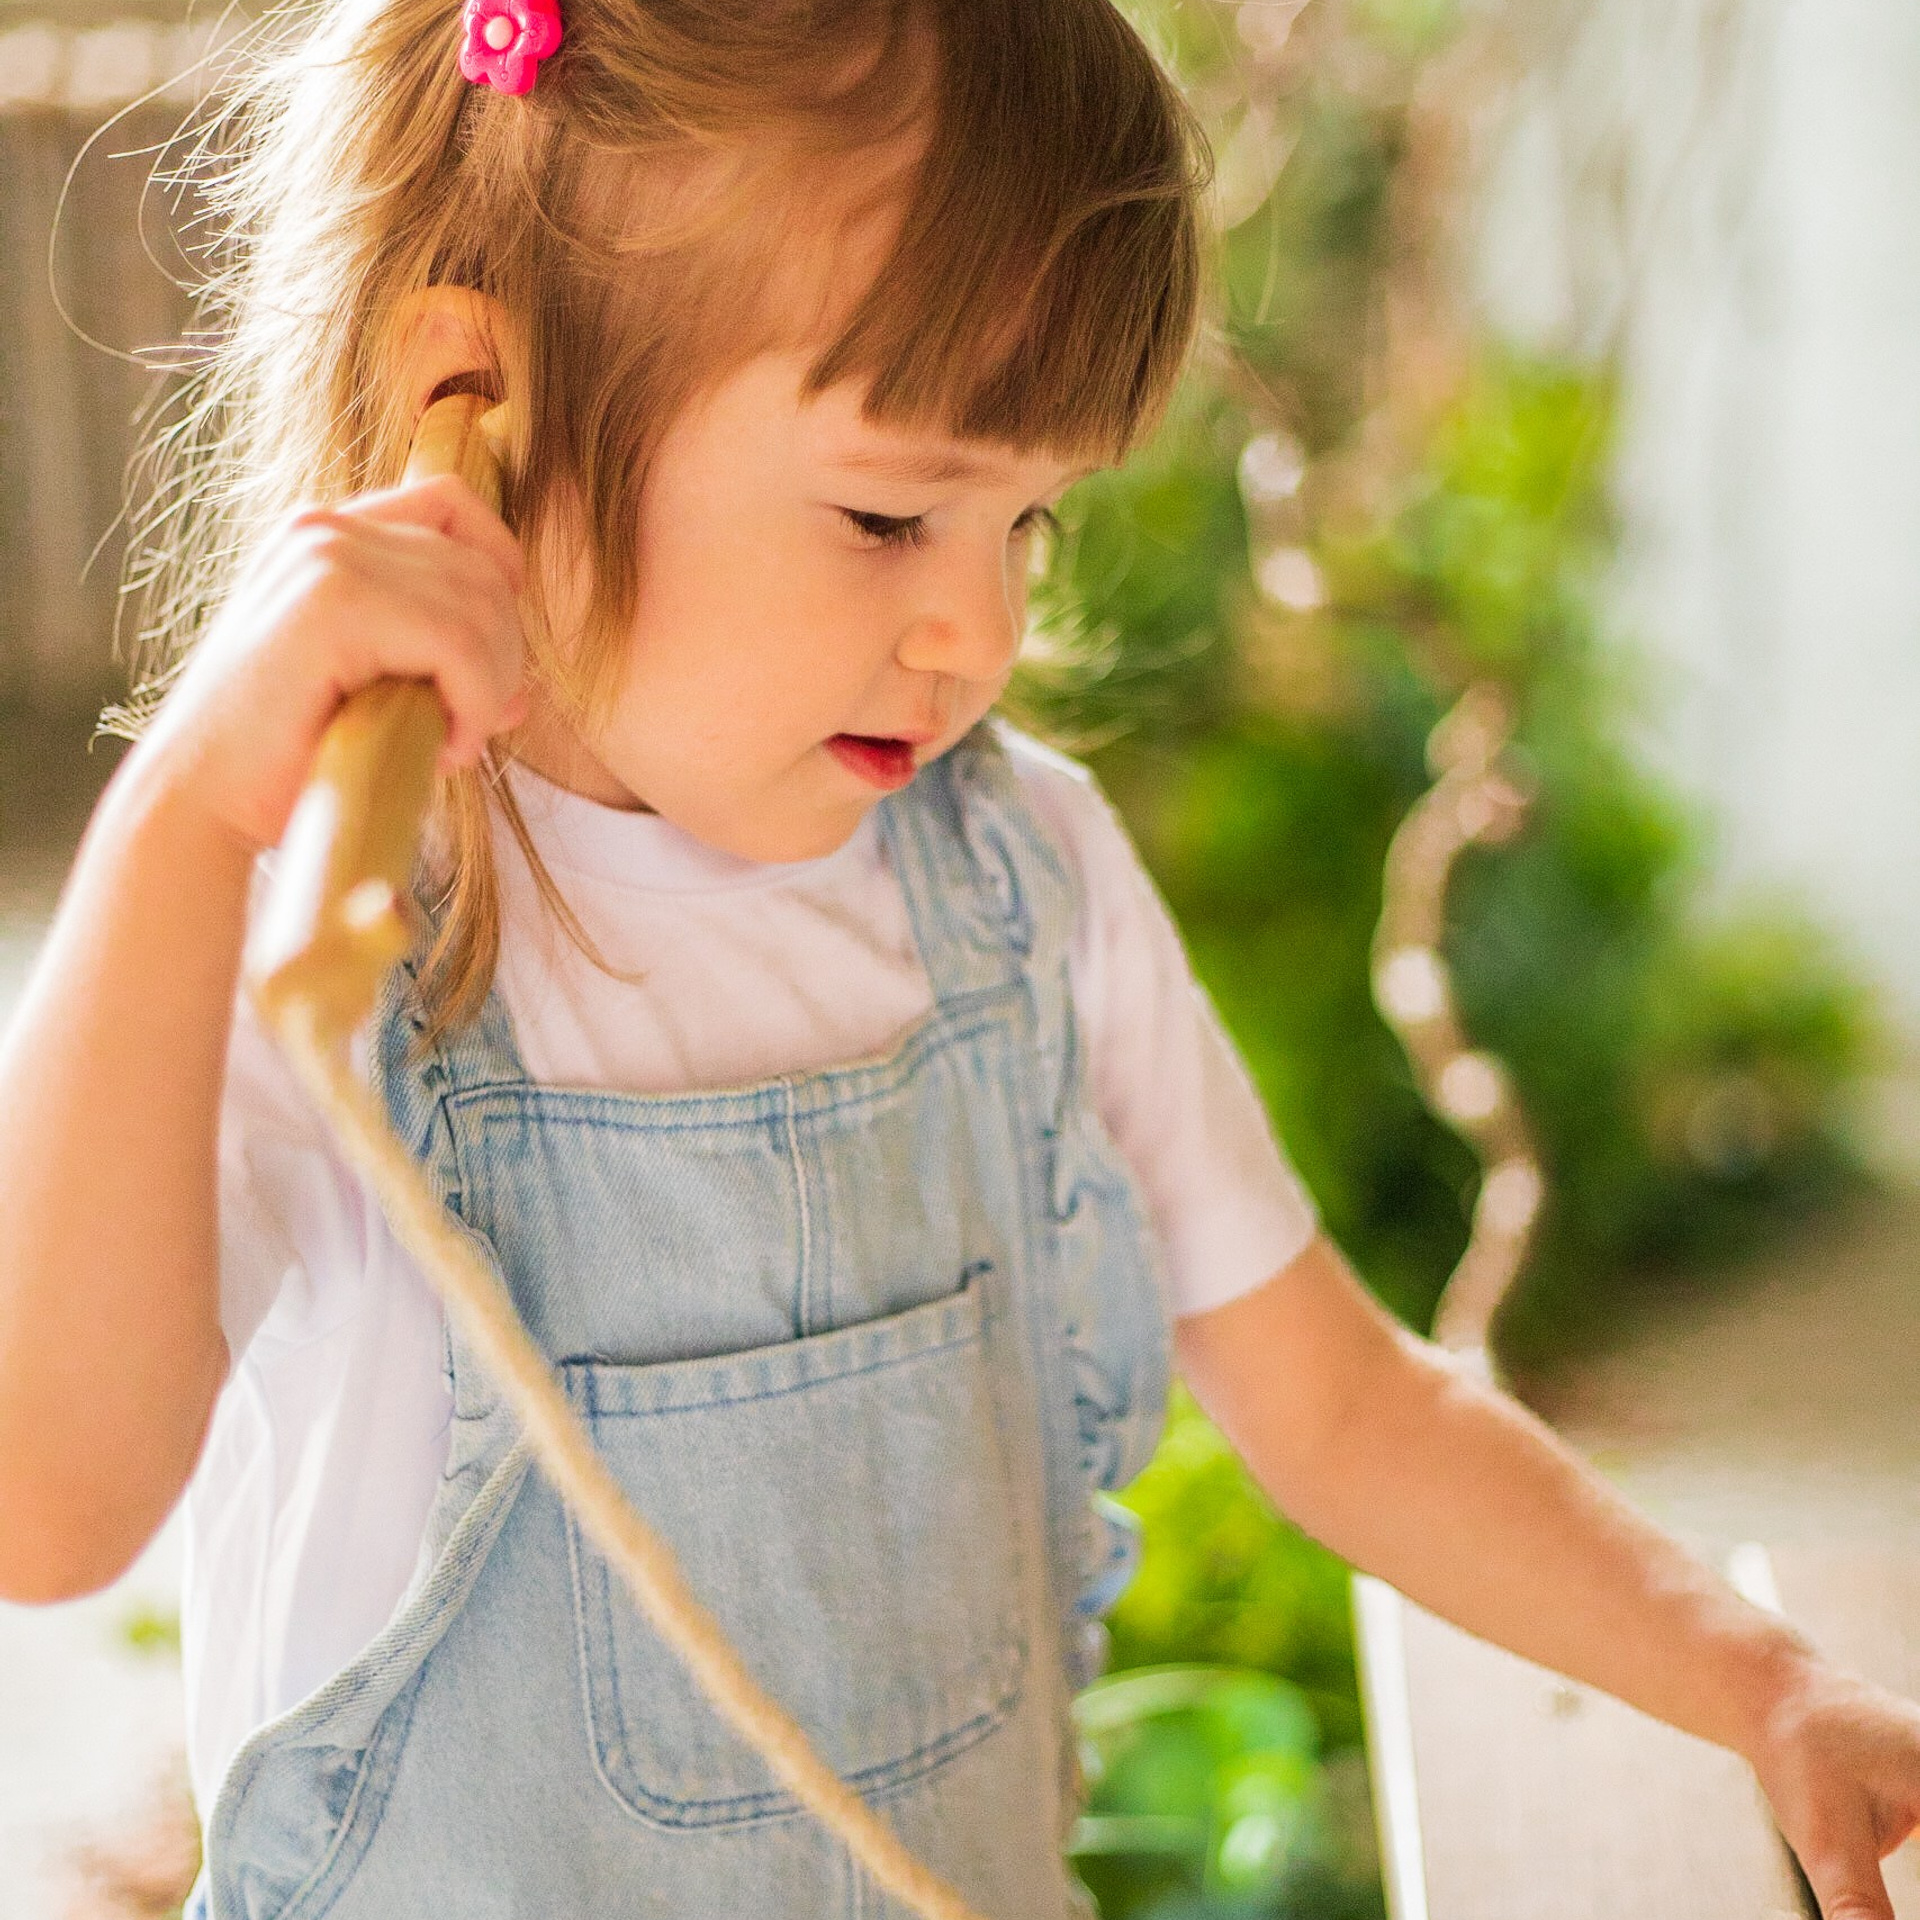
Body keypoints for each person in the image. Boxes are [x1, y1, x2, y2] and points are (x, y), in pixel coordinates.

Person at [0, 0, 1917, 1912]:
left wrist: (1762, 1686)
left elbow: (1343, 1406)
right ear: (475, 407)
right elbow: (46, 1504)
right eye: (892, 514)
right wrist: (181, 818)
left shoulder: (1019, 883)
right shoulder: (315, 959)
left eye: (1030, 523)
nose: (978, 631)